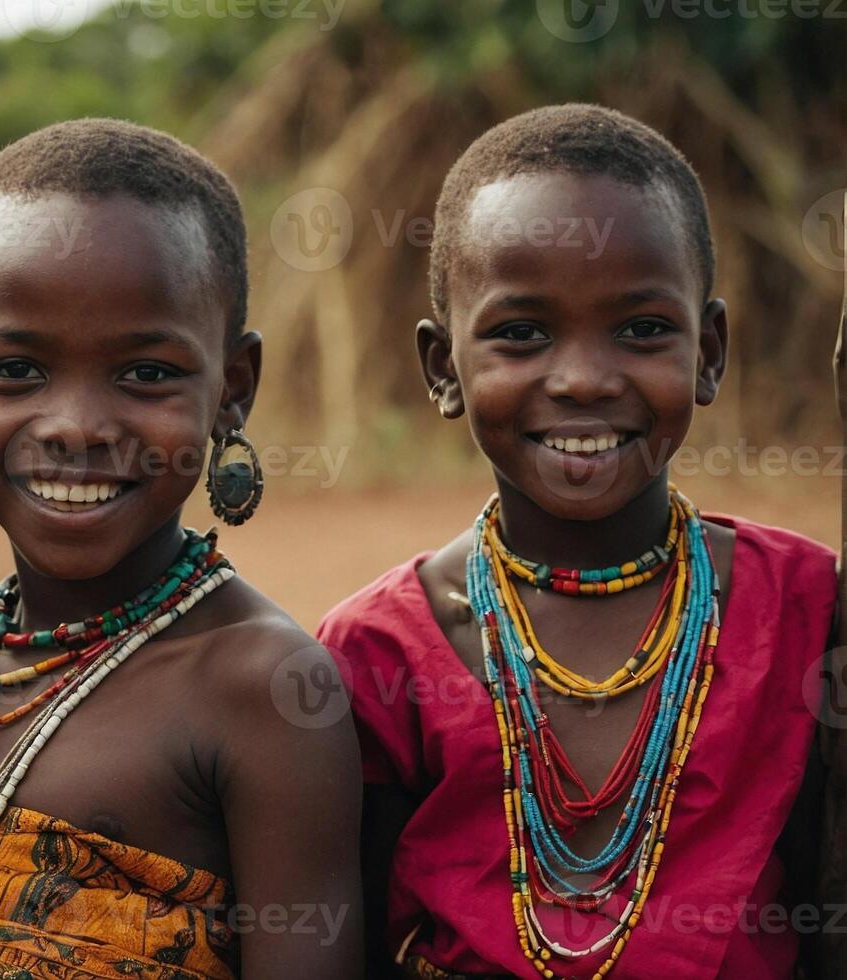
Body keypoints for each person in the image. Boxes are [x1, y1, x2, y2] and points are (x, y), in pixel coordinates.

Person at [318, 104, 837, 978]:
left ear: (708, 351)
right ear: (443, 368)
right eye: (521, 334)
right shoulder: (377, 651)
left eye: (641, 330)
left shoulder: (806, 606)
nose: (585, 378)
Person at [0, 119, 364, 979]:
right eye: (16, 371)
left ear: (232, 391)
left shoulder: (260, 692)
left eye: (144, 374)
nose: (76, 426)